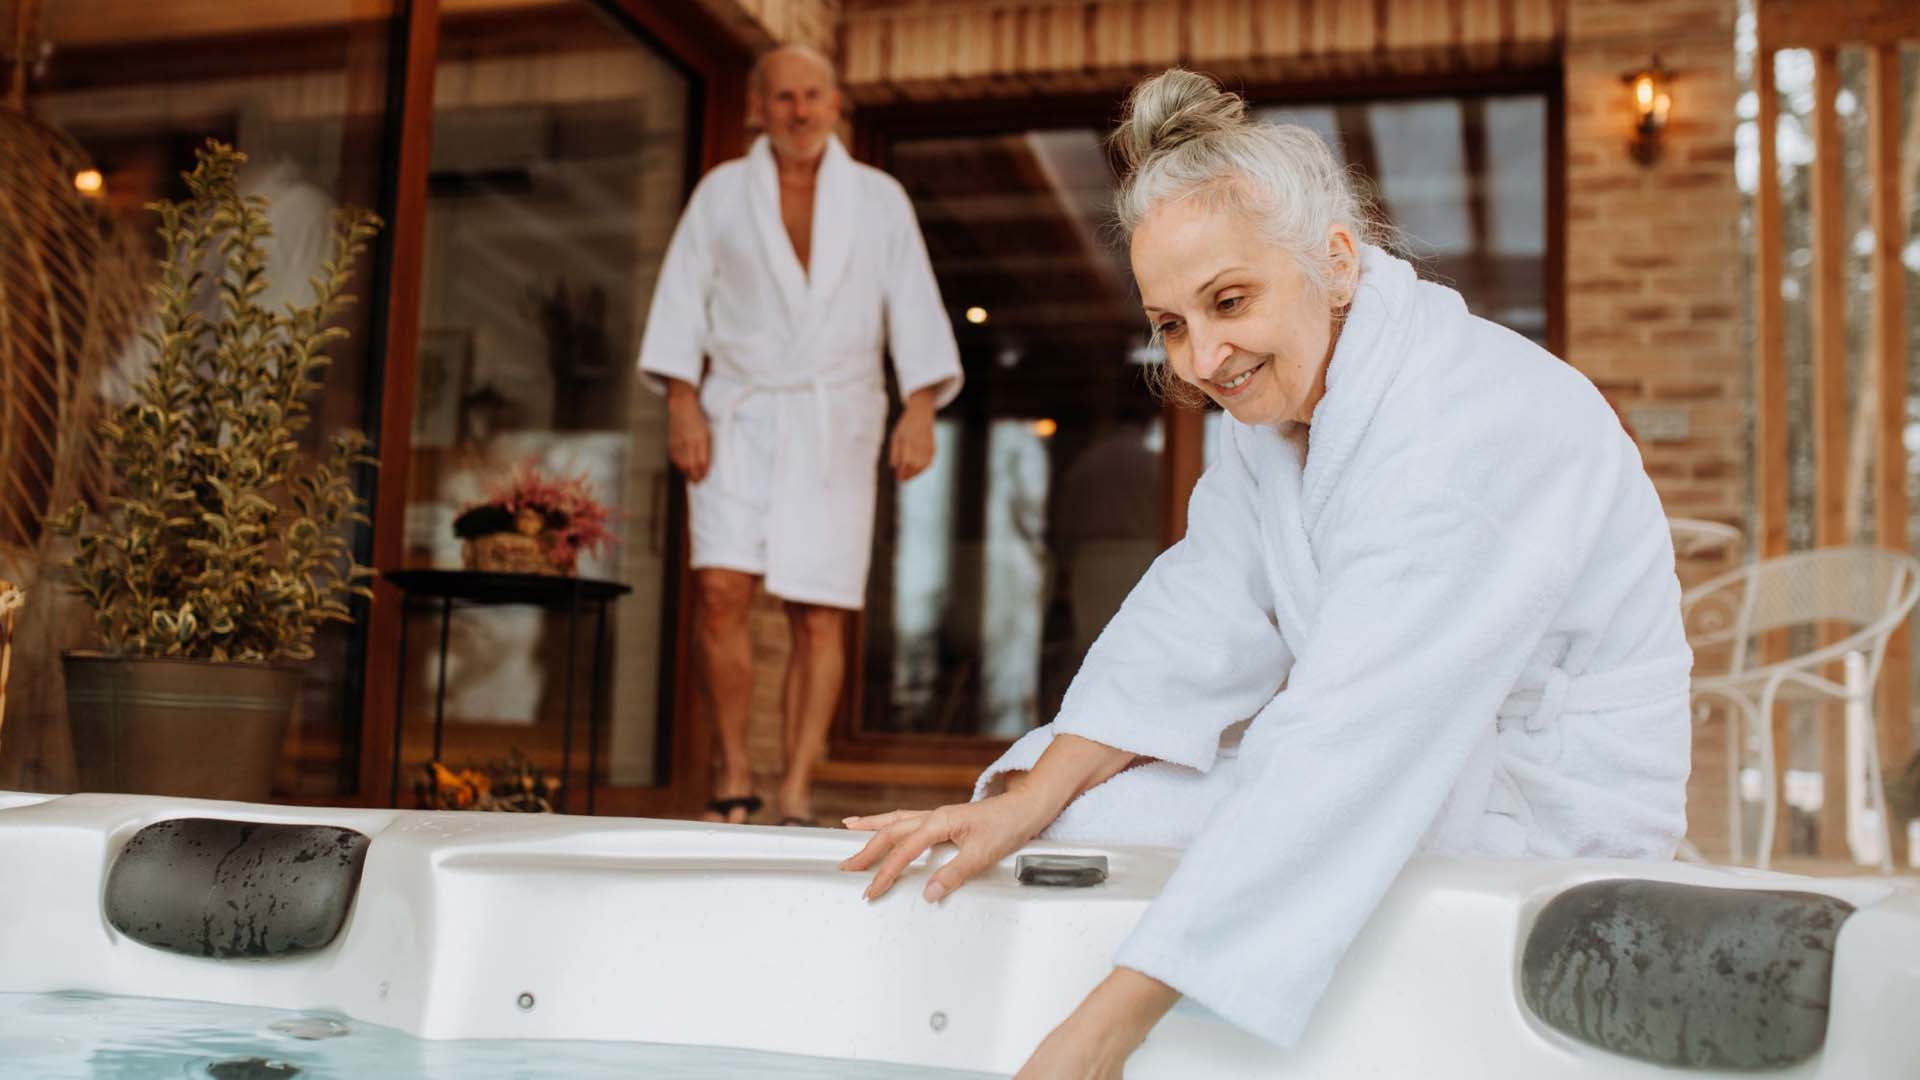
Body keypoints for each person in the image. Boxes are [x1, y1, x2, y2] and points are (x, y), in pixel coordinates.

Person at [843, 68, 1691, 1077]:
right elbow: (1194, 621)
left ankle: (1160, 1023)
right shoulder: (1284, 411)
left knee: (1257, 824)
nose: (1203, 357)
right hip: (1409, 746)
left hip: (1549, 802)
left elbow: (1350, 740)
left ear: (1335, 261)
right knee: (1076, 813)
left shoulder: (1459, 429)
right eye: (1170, 324)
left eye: (1229, 300)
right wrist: (1022, 800)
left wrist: (1102, 1029)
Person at [638, 46, 962, 826]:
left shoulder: (878, 199)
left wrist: (918, 408)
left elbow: (913, 303)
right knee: (720, 590)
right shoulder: (722, 194)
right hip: (738, 411)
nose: (800, 111)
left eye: (813, 95)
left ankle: (795, 789)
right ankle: (735, 770)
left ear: (835, 102)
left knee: (817, 610)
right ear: (758, 105)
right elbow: (682, 299)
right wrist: (681, 402)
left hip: (833, 418)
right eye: (784, 97)